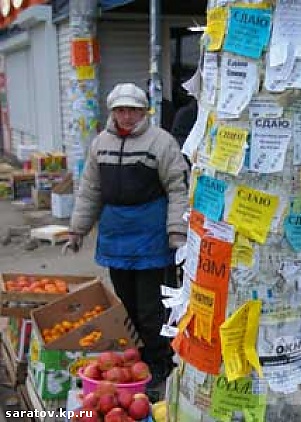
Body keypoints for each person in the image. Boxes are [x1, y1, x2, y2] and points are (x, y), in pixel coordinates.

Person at [68, 82, 189, 390]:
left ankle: (158, 362)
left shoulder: (161, 142)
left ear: (144, 111)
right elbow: (90, 190)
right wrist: (77, 229)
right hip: (115, 232)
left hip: (151, 234)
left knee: (153, 308)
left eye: (133, 110)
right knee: (126, 303)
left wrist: (177, 232)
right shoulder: (100, 143)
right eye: (121, 110)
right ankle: (134, 362)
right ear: (113, 112)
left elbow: (178, 187)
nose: (127, 116)